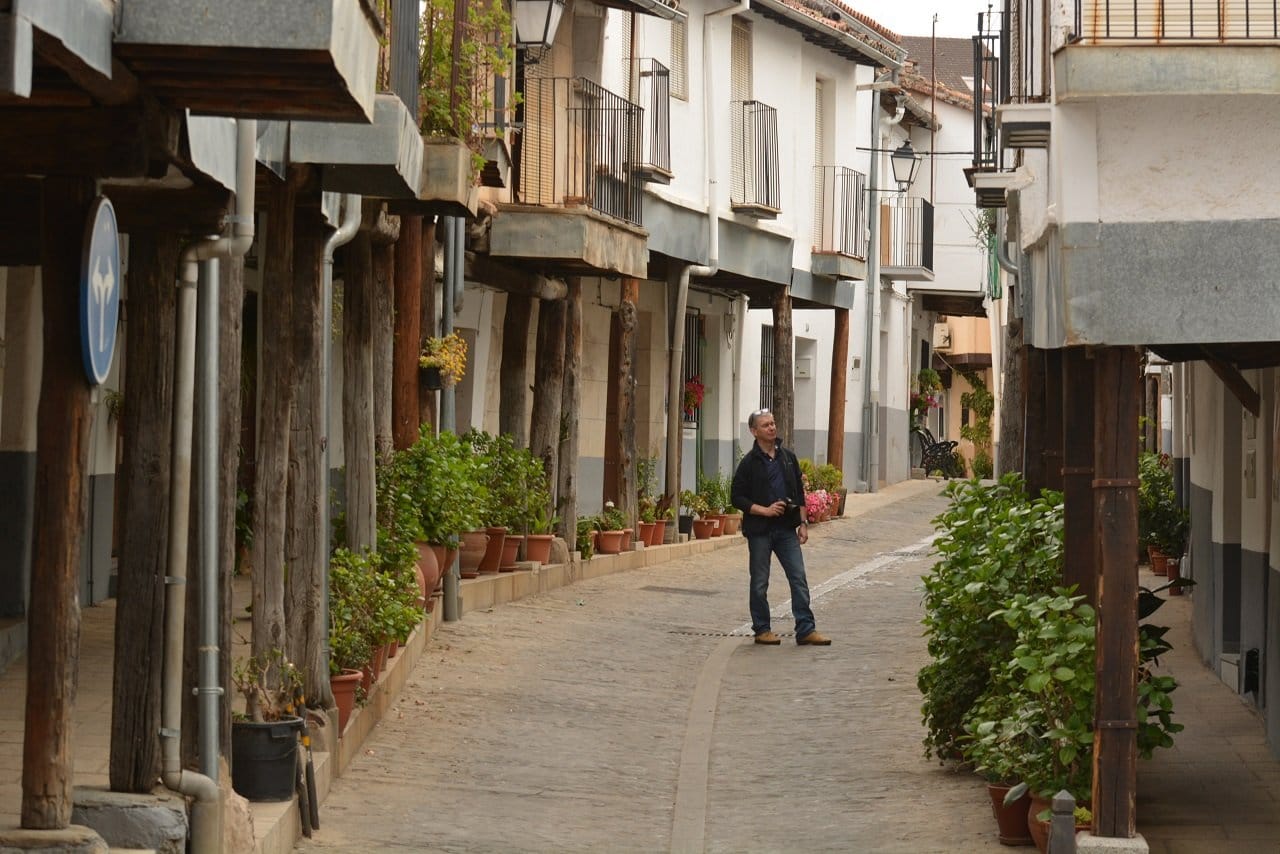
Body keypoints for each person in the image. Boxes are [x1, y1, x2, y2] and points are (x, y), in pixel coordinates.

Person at [730, 408, 831, 646]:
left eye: (773, 423)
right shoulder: (748, 463)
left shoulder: (787, 458)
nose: (772, 428)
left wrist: (803, 523)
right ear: (754, 431)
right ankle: (762, 629)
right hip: (760, 531)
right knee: (760, 582)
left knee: (798, 577)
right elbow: (737, 497)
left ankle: (806, 629)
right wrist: (763, 510)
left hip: (786, 529)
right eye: (766, 425)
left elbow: (798, 492)